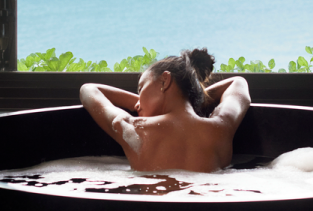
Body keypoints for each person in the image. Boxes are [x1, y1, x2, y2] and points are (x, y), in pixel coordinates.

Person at [79, 48, 251, 173]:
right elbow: (238, 83)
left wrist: (136, 103)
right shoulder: (220, 128)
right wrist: (193, 102)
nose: (138, 103)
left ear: (164, 81)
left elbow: (89, 90)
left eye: (141, 89)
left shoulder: (136, 129)